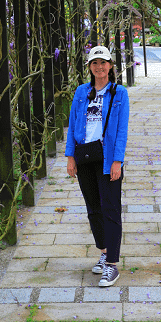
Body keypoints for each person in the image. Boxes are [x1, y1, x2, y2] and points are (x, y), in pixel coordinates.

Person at [65, 45, 129, 287]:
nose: (99, 67)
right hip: (85, 156)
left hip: (107, 158)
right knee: (93, 207)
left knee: (110, 209)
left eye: (103, 63)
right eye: (95, 63)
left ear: (110, 66)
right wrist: (70, 157)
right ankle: (104, 252)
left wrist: (117, 161)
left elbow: (121, 130)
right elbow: (72, 125)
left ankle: (112, 265)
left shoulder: (119, 93)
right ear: (90, 67)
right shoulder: (82, 92)